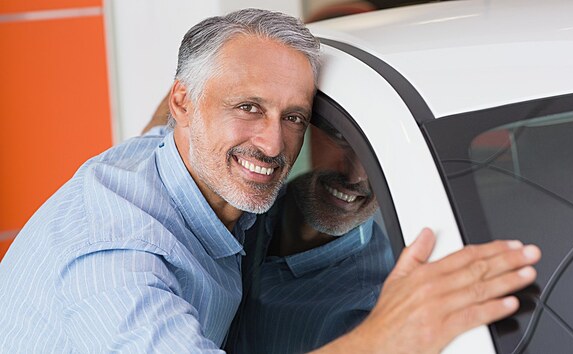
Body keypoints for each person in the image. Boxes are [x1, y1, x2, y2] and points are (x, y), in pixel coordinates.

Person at [0, 8, 541, 353]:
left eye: (295, 117)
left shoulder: (181, 162)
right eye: (248, 107)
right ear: (183, 102)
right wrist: (389, 337)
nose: (273, 142)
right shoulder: (116, 263)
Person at [227, 119, 395, 353]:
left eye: (380, 153)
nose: (356, 174)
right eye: (340, 136)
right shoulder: (240, 200)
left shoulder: (375, 311)